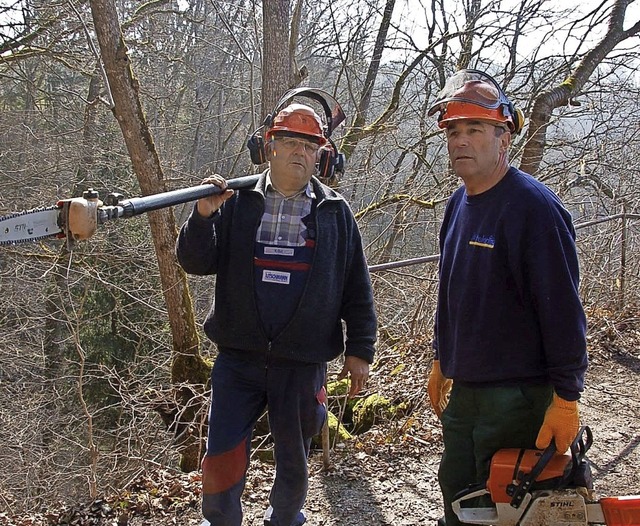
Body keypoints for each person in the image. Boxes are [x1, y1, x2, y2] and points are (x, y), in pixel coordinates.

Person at [176, 97, 377, 526]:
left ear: (322, 154)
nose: (299, 153)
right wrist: (202, 217)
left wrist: (360, 351)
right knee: (222, 454)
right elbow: (195, 263)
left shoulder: (336, 213)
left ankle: (284, 520)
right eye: (289, 142)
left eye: (309, 146)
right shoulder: (236, 202)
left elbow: (357, 288)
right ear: (269, 146)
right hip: (238, 359)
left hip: (302, 364)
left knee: (294, 462)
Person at [426, 69, 588, 526]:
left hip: (519, 394)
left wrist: (567, 397)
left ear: (505, 138)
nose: (461, 140)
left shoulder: (535, 209)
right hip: (468, 390)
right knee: (458, 494)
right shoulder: (459, 204)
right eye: (454, 131)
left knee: (507, 505)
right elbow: (453, 294)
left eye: (475, 129)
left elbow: (562, 311)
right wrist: (443, 358)